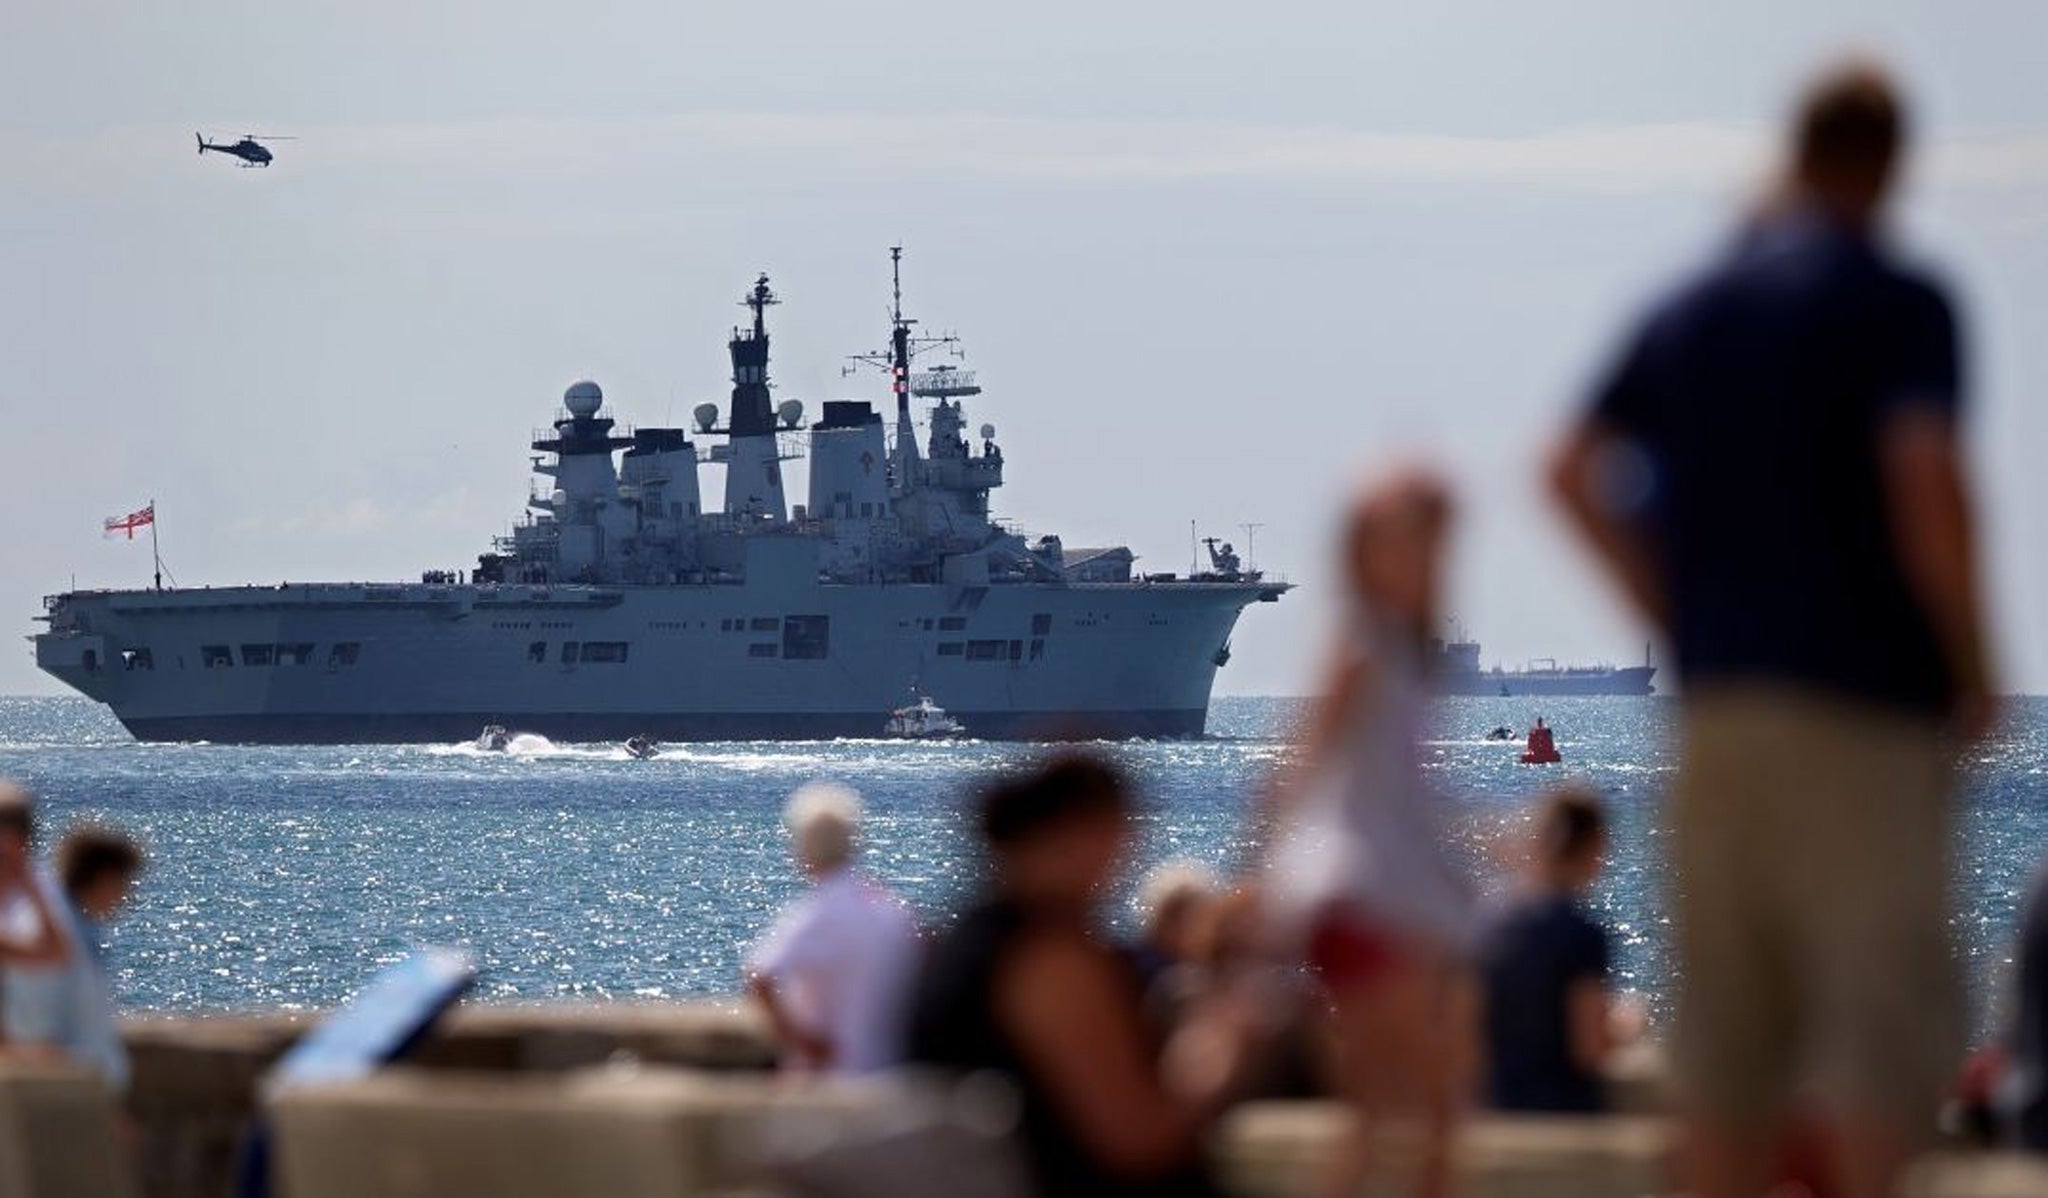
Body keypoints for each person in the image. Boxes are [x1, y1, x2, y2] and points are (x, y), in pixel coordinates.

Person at [1550, 61, 1991, 1198]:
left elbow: (1566, 468)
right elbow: (1924, 477)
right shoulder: (1896, 299)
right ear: (1888, 164)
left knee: (1725, 1060)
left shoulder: (1687, 306)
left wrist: (1669, 611)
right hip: (1863, 704)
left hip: (1716, 715)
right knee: (1872, 1045)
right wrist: (1973, 663)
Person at [1258, 472, 1475, 1198]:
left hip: (1389, 892)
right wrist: (1261, 877)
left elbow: (1402, 789)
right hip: (1359, 891)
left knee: (1386, 1109)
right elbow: (1303, 758)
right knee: (1431, 1098)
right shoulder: (1366, 644)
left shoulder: (1404, 651)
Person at [906, 756, 1238, 1198]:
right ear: (1083, 836)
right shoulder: (1049, 957)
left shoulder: (969, 940)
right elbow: (1138, 1136)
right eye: (1119, 834)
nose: (1125, 855)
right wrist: (1223, 1044)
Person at [745, 781, 920, 1075]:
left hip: (833, 1074)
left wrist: (802, 1041)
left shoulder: (819, 911)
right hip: (889, 1069)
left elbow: (759, 977)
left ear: (804, 846)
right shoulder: (888, 906)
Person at [1478, 789, 1624, 1113]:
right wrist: (1625, 1027)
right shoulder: (1581, 935)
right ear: (1594, 847)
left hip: (1496, 1109)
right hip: (1562, 1113)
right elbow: (1588, 1049)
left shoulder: (1489, 927)